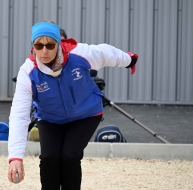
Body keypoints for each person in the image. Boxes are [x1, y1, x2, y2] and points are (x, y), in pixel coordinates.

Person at [8, 21, 138, 189]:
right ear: (33, 46)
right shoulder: (28, 72)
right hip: (50, 118)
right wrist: (15, 158)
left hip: (86, 114)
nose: (44, 51)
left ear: (59, 43)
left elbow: (106, 53)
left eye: (50, 44)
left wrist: (129, 60)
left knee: (69, 156)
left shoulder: (79, 54)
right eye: (39, 45)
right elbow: (19, 114)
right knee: (49, 158)